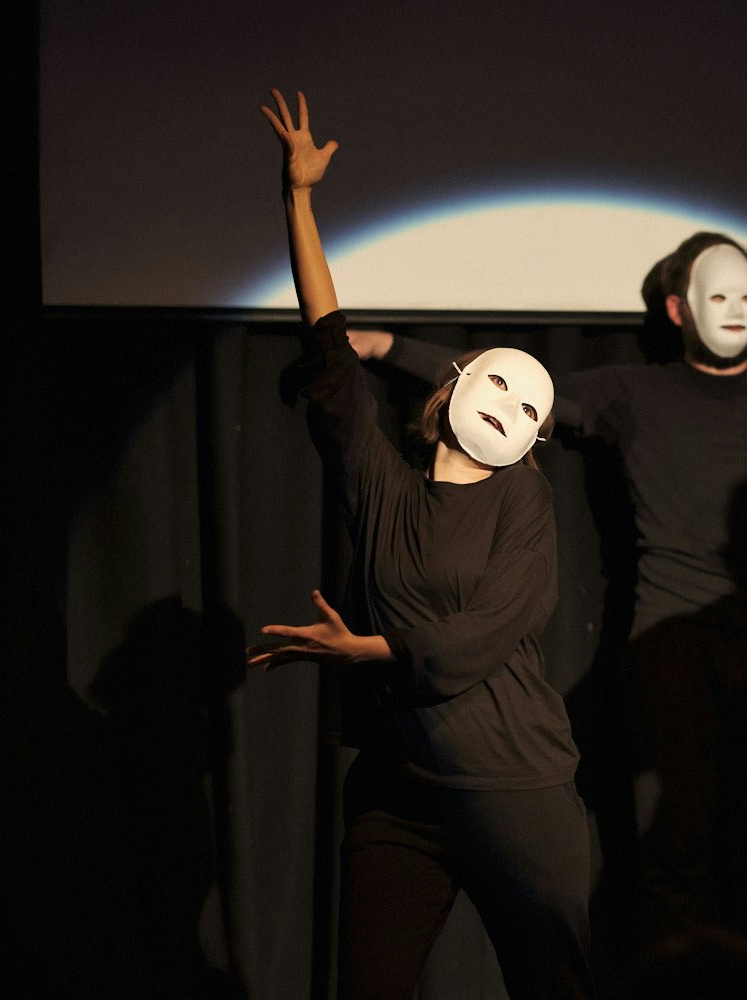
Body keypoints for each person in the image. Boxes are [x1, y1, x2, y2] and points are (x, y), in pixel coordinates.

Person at [350, 234, 747, 982]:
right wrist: (388, 345)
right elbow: (513, 391)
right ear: (679, 309)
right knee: (666, 856)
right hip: (666, 651)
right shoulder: (635, 395)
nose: (737, 312)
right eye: (719, 297)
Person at [248, 89, 594, 1000]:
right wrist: (299, 200)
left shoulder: (525, 500)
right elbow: (329, 347)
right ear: (447, 391)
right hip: (401, 792)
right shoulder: (380, 483)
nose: (512, 409)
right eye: (499, 388)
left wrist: (369, 649)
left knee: (552, 982)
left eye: (533, 410)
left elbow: (497, 623)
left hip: (514, 786)